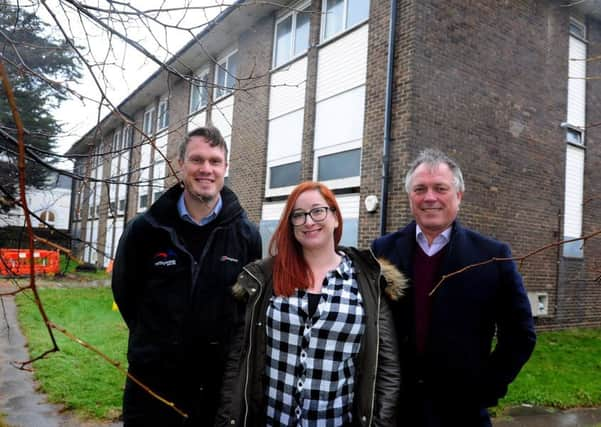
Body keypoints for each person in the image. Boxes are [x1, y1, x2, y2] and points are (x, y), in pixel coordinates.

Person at [216, 181, 406, 427]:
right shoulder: (266, 278)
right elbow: (239, 359)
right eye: (298, 215)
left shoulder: (366, 282)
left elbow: (387, 369)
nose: (308, 221)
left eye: (318, 211)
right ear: (290, 224)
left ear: (336, 218)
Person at [372, 148, 536, 427]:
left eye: (440, 188)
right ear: (410, 197)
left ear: (458, 195)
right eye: (420, 189)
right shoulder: (382, 251)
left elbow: (520, 335)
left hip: (463, 412)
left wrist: (487, 388)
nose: (430, 197)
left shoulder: (493, 257)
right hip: (397, 411)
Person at [111, 126, 262, 426]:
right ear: (180, 164)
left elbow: (246, 309)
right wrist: (156, 342)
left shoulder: (246, 235)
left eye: (215, 161)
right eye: (197, 159)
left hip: (214, 390)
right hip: (150, 387)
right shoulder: (145, 229)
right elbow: (125, 293)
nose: (206, 169)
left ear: (225, 167)